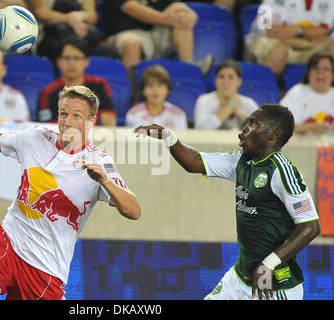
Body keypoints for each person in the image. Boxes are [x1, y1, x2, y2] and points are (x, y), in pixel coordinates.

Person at [0, 85, 141, 300]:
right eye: (63, 114)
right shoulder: (36, 137)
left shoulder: (101, 163)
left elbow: (133, 211)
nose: (67, 122)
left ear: (91, 121)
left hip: (44, 268)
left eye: (76, 116)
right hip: (7, 241)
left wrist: (104, 181)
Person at [134, 104, 320, 300]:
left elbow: (310, 225)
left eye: (253, 123)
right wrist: (167, 137)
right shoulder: (241, 160)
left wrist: (269, 264)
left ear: (272, 134)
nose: (244, 128)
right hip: (240, 277)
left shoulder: (281, 170)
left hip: (274, 287)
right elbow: (196, 162)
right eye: (247, 122)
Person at [102, 0, 214, 75]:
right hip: (126, 33)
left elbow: (177, 5)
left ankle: (188, 67)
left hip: (156, 32)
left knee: (180, 13)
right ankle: (133, 94)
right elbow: (131, 8)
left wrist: (192, 16)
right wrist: (166, 19)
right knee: (132, 43)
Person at [245, 0, 334, 76]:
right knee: (278, 50)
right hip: (266, 40)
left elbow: (325, 31)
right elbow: (272, 32)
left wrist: (298, 30)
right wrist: (308, 41)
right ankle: (270, 91)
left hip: (309, 46)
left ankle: (327, 91)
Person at [39, 36, 116, 126]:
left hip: (93, 138)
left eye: (77, 58)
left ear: (86, 61)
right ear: (59, 62)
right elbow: (47, 129)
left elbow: (109, 124)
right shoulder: (48, 92)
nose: (71, 63)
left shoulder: (100, 85)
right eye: (67, 58)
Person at [280, 53, 334, 134]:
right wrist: (311, 127)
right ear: (309, 74)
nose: (320, 72)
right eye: (316, 68)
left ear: (333, 75)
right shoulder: (297, 92)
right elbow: (281, 126)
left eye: (326, 69)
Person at [30, 0, 110, 61]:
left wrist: (81, 16)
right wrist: (69, 19)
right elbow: (41, 13)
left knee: (100, 44)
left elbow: (93, 16)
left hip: (80, 30)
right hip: (50, 31)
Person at [194, 60, 259, 130]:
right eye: (221, 77)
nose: (225, 82)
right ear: (215, 81)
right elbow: (200, 130)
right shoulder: (204, 101)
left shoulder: (249, 103)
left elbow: (262, 130)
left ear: (239, 81)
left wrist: (239, 114)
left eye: (231, 77)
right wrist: (230, 107)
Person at [125, 64, 188, 129]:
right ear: (143, 90)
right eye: (150, 85)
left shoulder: (178, 115)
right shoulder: (133, 114)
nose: (155, 89)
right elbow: (131, 138)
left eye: (160, 85)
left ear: (167, 89)